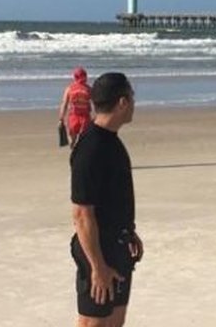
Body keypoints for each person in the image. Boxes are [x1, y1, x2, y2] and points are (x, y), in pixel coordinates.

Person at [70, 72, 143, 327]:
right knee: (93, 323)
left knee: (114, 322)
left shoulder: (111, 141)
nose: (134, 103)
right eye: (132, 97)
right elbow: (81, 214)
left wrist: (129, 232)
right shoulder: (90, 148)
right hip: (98, 251)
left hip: (118, 246)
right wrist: (97, 267)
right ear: (122, 102)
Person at [59, 66, 93, 146]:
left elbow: (64, 104)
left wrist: (61, 118)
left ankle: (73, 153)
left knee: (72, 140)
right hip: (85, 117)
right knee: (83, 140)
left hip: (73, 116)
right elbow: (96, 102)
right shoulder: (88, 89)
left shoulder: (69, 89)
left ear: (75, 77)